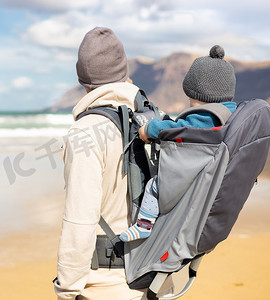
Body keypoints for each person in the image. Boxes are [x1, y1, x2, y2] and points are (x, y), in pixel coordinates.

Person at [54, 27, 174, 300]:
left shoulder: (85, 132)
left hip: (108, 288)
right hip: (158, 279)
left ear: (82, 79)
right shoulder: (159, 120)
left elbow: (80, 219)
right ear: (124, 72)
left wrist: (67, 289)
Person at [120, 45, 237, 242]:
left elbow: (175, 129)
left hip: (191, 174)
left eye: (191, 99)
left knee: (153, 186)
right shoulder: (230, 115)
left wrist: (148, 130)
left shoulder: (206, 117)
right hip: (211, 174)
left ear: (201, 97)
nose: (189, 103)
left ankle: (144, 225)